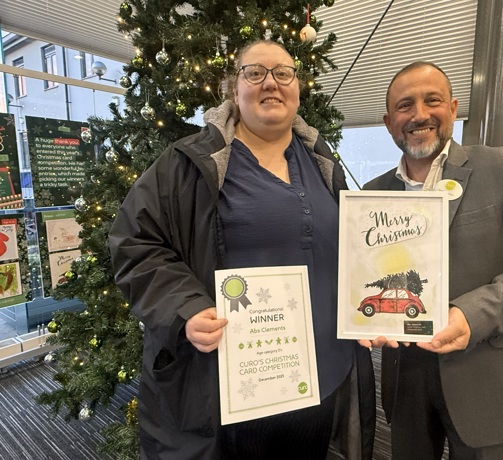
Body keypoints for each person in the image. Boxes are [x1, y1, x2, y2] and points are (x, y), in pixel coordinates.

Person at [108, 40, 375, 460]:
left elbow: (349, 253)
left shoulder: (322, 162)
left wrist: (368, 310)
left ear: (297, 88)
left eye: (283, 73)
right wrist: (186, 308)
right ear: (235, 89)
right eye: (255, 72)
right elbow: (134, 241)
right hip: (235, 384)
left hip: (320, 378)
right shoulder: (188, 162)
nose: (271, 83)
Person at [360, 61, 503, 460]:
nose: (420, 115)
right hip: (404, 377)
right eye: (405, 106)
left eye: (432, 100)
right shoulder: (372, 194)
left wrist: (470, 315)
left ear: (453, 108)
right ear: (389, 123)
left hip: (486, 371)